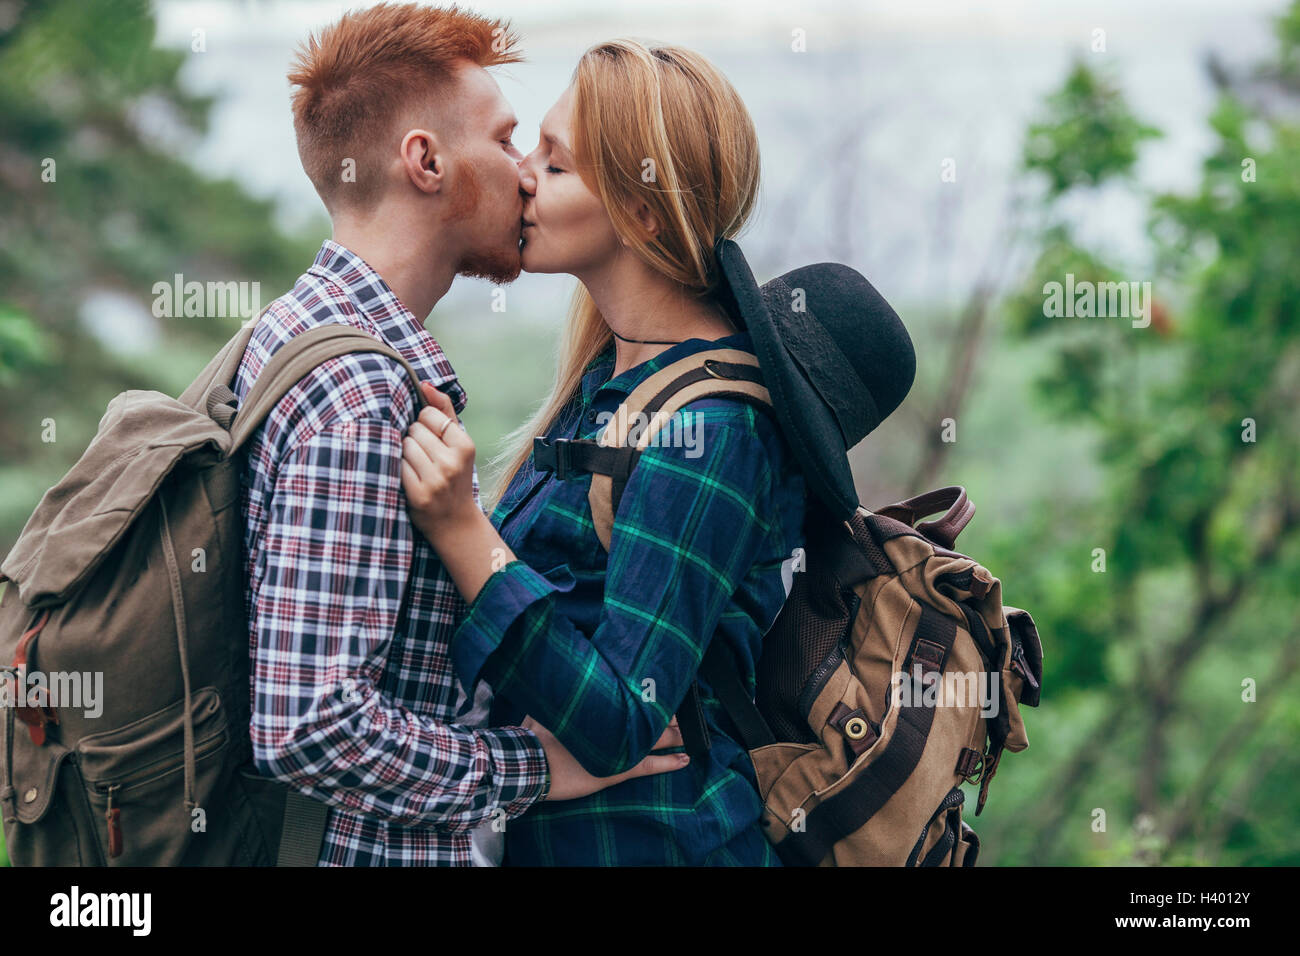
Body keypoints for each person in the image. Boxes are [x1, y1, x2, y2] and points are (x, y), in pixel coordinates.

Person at [233, 4, 685, 867]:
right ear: (426, 161)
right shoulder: (360, 392)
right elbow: (309, 726)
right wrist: (528, 769)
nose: (526, 174)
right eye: (509, 141)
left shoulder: (293, 332)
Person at [400, 39, 808, 865]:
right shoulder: (607, 380)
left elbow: (622, 720)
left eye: (556, 167)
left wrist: (462, 530)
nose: (523, 178)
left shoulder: (712, 429)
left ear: (644, 212)